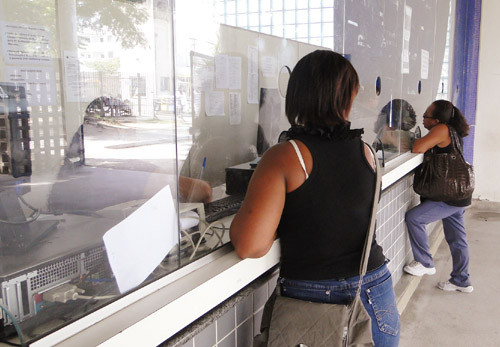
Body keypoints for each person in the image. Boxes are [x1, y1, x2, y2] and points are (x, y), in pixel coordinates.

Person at [229, 50, 400, 346]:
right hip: (376, 294)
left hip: (311, 303)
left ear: (297, 96)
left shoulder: (285, 156)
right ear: (347, 99)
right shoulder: (367, 153)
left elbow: (250, 245)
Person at [403, 99, 473, 293]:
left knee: (414, 218)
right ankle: (462, 281)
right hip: (459, 194)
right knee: (457, 239)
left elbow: (417, 148)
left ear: (436, 120)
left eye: (426, 115)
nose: (423, 119)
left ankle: (425, 262)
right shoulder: (452, 130)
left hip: (449, 196)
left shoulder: (442, 129)